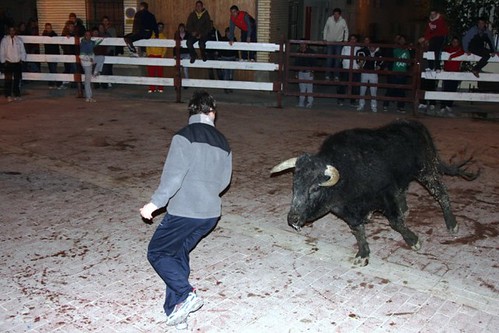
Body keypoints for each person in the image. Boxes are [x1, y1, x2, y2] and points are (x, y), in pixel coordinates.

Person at [140, 90, 232, 330]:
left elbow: (173, 176)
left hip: (185, 211)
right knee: (177, 254)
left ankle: (186, 293)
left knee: (158, 252)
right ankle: (176, 312)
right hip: (210, 214)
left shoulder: (184, 136)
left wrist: (155, 203)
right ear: (212, 112)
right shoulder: (224, 141)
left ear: (192, 112)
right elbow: (224, 181)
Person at [383, 34, 411, 113]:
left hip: (403, 71)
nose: (402, 41)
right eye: (400, 40)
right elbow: (389, 58)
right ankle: (386, 104)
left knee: (401, 90)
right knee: (390, 88)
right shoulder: (394, 49)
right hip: (394, 70)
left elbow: (409, 61)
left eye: (403, 40)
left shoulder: (407, 50)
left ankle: (400, 106)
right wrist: (387, 67)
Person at [356, 37, 383, 113]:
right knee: (362, 90)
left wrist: (379, 66)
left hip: (374, 74)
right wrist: (360, 63)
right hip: (365, 72)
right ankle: (361, 105)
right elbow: (359, 57)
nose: (372, 48)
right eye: (371, 47)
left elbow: (382, 62)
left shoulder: (379, 53)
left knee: (373, 91)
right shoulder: (364, 51)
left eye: (374, 47)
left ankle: (374, 106)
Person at [0, 26, 27, 102]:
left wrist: (22, 59)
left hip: (17, 63)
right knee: (8, 80)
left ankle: (17, 94)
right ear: (8, 31)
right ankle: (8, 94)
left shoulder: (18, 40)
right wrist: (3, 61)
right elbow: (2, 51)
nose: (12, 32)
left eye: (13, 30)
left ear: (15, 31)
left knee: (17, 80)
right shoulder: (4, 40)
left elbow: (22, 50)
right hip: (8, 63)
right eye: (10, 30)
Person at [439, 37, 464, 116]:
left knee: (453, 89)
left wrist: (452, 56)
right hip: (447, 71)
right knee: (445, 88)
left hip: (455, 72)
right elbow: (442, 53)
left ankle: (449, 105)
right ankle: (443, 105)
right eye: (453, 41)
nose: (455, 43)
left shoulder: (460, 49)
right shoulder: (447, 49)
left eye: (456, 42)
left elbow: (462, 52)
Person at [322, 8, 349, 81]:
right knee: (329, 60)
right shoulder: (329, 19)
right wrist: (324, 38)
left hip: (338, 42)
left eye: (337, 14)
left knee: (337, 60)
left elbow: (346, 30)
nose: (335, 16)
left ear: (340, 15)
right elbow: (325, 29)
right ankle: (327, 75)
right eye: (334, 14)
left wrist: (345, 40)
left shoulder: (343, 21)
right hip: (330, 42)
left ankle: (336, 76)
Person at [337, 33, 361, 107]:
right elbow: (342, 57)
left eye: (354, 39)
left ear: (356, 40)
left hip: (355, 68)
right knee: (343, 84)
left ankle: (353, 101)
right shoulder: (345, 47)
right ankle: (341, 99)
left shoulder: (359, 48)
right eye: (351, 39)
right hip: (346, 68)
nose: (352, 40)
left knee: (354, 86)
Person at [79, 29, 103, 102]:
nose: (88, 36)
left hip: (91, 60)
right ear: (85, 36)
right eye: (87, 35)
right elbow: (81, 56)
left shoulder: (90, 43)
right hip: (86, 64)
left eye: (89, 35)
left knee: (101, 58)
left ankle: (96, 72)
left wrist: (102, 38)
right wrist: (90, 59)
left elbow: (97, 42)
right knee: (87, 80)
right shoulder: (84, 44)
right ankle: (88, 97)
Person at [146, 22, 167, 93]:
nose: (160, 29)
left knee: (160, 73)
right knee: (151, 72)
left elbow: (165, 48)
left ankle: (160, 87)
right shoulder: (151, 35)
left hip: (159, 56)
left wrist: (162, 55)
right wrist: (149, 54)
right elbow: (148, 46)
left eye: (161, 27)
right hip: (151, 55)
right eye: (159, 27)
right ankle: (152, 88)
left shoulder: (163, 37)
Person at [294, 39, 315, 108]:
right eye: (301, 44)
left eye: (303, 44)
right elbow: (296, 63)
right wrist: (296, 72)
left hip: (308, 72)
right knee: (302, 88)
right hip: (301, 72)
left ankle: (309, 103)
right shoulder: (298, 52)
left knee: (309, 88)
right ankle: (301, 103)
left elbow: (313, 63)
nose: (302, 45)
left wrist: (312, 71)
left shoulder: (311, 52)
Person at [219, 27, 239, 93]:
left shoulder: (234, 39)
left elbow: (236, 49)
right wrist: (220, 56)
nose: (229, 34)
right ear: (226, 33)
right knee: (226, 73)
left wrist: (237, 57)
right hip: (224, 57)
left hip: (232, 57)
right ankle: (226, 87)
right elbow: (220, 48)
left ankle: (230, 87)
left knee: (231, 74)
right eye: (228, 32)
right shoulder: (222, 39)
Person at [42, 23, 61, 89]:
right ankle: (55, 83)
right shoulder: (44, 35)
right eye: (47, 28)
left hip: (54, 54)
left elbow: (56, 46)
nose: (48, 29)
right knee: (51, 69)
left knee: (53, 69)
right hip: (48, 54)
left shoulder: (54, 35)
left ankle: (55, 83)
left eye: (49, 28)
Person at [101, 16, 116, 87]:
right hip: (103, 51)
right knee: (104, 67)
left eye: (106, 21)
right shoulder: (101, 29)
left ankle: (110, 80)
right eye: (104, 21)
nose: (105, 22)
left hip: (110, 50)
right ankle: (104, 81)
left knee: (109, 66)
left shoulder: (112, 29)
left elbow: (114, 39)